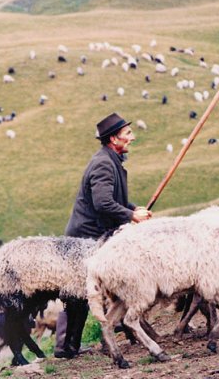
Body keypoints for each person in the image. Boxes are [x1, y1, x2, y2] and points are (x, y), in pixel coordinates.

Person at [54, 112, 151, 359]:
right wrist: (131, 216)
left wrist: (134, 209)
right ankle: (64, 347)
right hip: (84, 240)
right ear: (113, 138)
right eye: (127, 133)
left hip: (92, 238)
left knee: (85, 292)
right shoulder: (103, 164)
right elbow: (103, 203)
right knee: (75, 292)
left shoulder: (111, 160)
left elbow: (114, 200)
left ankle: (70, 347)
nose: (132, 137)